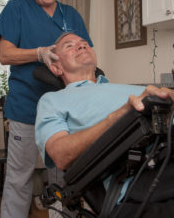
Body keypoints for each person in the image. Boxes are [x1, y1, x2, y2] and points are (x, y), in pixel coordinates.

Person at [0, 0, 92, 218]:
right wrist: (38, 53)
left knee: (62, 180)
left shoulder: (70, 15)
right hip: (25, 109)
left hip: (63, 113)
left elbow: (86, 54)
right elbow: (5, 55)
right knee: (18, 179)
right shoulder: (17, 9)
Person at [35, 32, 174, 217]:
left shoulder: (127, 88)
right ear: (56, 67)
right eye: (69, 46)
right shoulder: (52, 100)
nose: (81, 46)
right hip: (142, 177)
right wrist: (121, 115)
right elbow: (60, 154)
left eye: (84, 43)